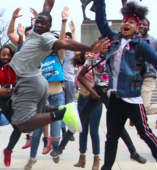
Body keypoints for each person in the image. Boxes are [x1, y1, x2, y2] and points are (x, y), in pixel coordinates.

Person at [9, 0, 108, 134]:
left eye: (43, 23)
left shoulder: (45, 38)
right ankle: (63, 110)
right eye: (37, 21)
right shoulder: (34, 33)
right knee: (41, 111)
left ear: (49, 26)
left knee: (24, 124)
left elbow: (65, 44)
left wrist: (89, 47)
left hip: (29, 81)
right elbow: (47, 5)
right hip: (37, 80)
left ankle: (62, 114)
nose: (38, 24)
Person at [51, 50, 147, 165]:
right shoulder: (93, 59)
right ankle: (60, 148)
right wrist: (92, 91)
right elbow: (80, 76)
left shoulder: (114, 58)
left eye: (108, 45)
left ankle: (133, 152)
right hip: (96, 92)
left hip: (110, 93)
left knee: (118, 125)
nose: (106, 47)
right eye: (104, 45)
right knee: (79, 120)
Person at [94, 1, 157, 169]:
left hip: (132, 98)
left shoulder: (141, 45)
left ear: (137, 27)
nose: (126, 24)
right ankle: (106, 167)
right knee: (111, 137)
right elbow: (101, 19)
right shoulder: (113, 40)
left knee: (144, 133)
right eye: (124, 20)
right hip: (114, 98)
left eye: (131, 22)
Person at [23, 6, 71, 170]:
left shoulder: (59, 56)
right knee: (36, 132)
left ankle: (56, 150)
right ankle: (32, 158)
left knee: (56, 134)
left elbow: (63, 39)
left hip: (57, 98)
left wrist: (63, 20)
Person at [7, 7, 52, 152]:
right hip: (20, 85)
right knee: (33, 113)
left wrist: (38, 16)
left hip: (31, 83)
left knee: (30, 117)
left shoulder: (40, 45)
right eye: (27, 34)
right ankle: (30, 137)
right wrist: (13, 19)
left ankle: (45, 137)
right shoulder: (22, 44)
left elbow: (45, 29)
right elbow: (9, 33)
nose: (28, 35)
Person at [72, 51, 103, 170]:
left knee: (94, 131)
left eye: (91, 53)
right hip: (81, 99)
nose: (89, 55)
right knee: (82, 130)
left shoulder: (97, 67)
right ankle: (82, 157)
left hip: (94, 101)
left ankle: (96, 159)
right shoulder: (81, 66)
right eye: (87, 53)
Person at [0, 45, 21, 167]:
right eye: (3, 54)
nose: (6, 57)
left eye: (9, 55)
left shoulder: (14, 67)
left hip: (8, 102)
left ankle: (8, 151)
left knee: (19, 128)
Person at [138, 18, 157, 125]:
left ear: (148, 28)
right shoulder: (132, 40)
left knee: (146, 108)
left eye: (144, 24)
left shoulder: (154, 41)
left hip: (147, 77)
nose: (141, 26)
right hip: (134, 78)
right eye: (139, 24)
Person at [62, 21, 78, 141]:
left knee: (70, 107)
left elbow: (76, 45)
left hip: (70, 82)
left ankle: (70, 131)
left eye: (69, 38)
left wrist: (73, 32)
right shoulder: (58, 52)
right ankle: (62, 130)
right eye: (65, 37)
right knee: (60, 107)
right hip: (58, 83)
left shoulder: (73, 52)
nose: (67, 39)